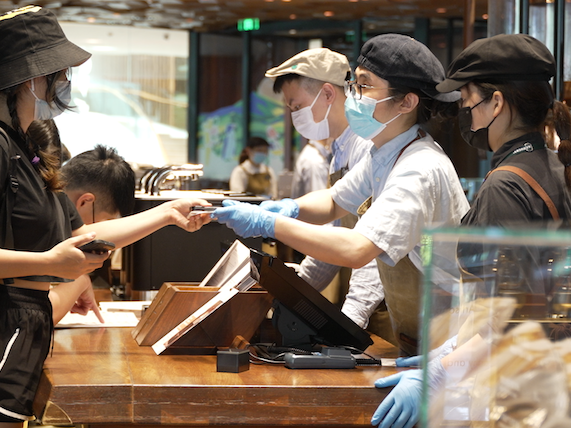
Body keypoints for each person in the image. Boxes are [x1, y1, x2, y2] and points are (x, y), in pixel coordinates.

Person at [0, 6, 209, 427]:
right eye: (60, 74)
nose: (65, 83)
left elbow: (85, 234)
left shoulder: (26, 148)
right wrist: (49, 263)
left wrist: (167, 214)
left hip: (22, 330)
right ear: (32, 77)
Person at [212, 34, 469, 362]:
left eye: (365, 85)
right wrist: (289, 208)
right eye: (354, 84)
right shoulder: (385, 154)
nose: (354, 95)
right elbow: (335, 201)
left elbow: (358, 249)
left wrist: (270, 224)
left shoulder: (418, 168)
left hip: (447, 339)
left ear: (406, 102)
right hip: (417, 330)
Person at [371, 34, 571, 428]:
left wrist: (441, 371)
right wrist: (451, 348)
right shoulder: (551, 165)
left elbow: (512, 321)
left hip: (521, 393)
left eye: (467, 100)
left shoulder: (505, 186)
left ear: (496, 103)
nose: (466, 114)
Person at [264, 47, 388, 339]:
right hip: (371, 298)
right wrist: (295, 288)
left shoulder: (367, 147)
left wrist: (352, 318)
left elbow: (374, 244)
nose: (295, 116)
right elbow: (335, 231)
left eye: (297, 106)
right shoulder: (339, 151)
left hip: (385, 301)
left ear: (328, 94)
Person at [50, 143, 137, 325]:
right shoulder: (37, 221)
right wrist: (79, 282)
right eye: (105, 223)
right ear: (85, 202)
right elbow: (43, 313)